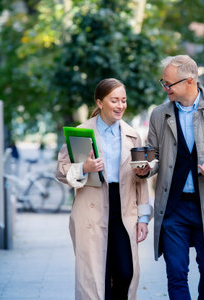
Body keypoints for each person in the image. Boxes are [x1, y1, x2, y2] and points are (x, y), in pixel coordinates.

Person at [134, 55, 204, 299]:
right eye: (163, 83)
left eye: (169, 84)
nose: (165, 89)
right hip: (173, 208)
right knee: (176, 274)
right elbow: (154, 154)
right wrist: (146, 167)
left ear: (189, 81)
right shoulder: (158, 115)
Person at [55, 78, 152, 300]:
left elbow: (141, 181)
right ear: (100, 103)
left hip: (124, 209)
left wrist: (144, 219)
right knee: (97, 278)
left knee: (126, 273)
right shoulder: (80, 133)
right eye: (114, 100)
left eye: (123, 100)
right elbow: (61, 173)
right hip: (91, 210)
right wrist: (83, 168)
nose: (120, 106)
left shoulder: (132, 134)